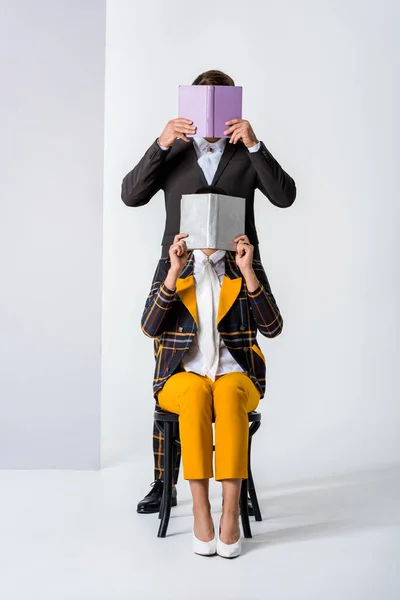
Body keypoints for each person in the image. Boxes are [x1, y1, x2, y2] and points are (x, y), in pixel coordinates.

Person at [121, 69, 296, 513]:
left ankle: (229, 497)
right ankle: (165, 484)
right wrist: (161, 142)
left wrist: (254, 144)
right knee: (176, 362)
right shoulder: (174, 151)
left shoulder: (244, 152)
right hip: (180, 267)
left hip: (236, 266)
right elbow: (131, 195)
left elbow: (284, 196)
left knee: (222, 370)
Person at [141, 233, 283, 557]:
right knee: (194, 392)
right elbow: (149, 326)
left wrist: (248, 273)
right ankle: (200, 510)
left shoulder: (243, 264)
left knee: (229, 392)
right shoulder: (172, 265)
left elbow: (273, 327)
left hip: (236, 375)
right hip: (180, 378)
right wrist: (173, 273)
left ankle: (230, 512)